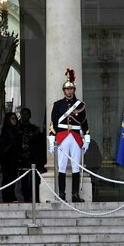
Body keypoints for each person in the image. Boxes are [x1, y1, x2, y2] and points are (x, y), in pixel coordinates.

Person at [50, 68, 90, 202]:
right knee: (61, 166)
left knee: (75, 166)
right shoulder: (58, 105)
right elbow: (53, 124)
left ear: (74, 90)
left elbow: (84, 123)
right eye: (67, 89)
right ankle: (61, 194)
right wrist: (51, 140)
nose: (69, 91)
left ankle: (75, 194)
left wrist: (87, 139)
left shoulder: (80, 105)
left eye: (71, 89)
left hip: (76, 137)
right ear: (64, 91)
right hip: (62, 136)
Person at [18, 108, 46, 203]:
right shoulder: (17, 129)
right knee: (24, 182)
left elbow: (38, 145)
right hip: (22, 160)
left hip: (33, 159)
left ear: (30, 115)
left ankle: (35, 198)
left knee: (35, 180)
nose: (24, 116)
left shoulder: (35, 129)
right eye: (23, 114)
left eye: (26, 114)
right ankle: (26, 199)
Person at [0, 112, 20, 202]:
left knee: (12, 177)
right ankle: (7, 196)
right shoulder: (7, 130)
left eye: (15, 118)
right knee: (7, 178)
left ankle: (11, 195)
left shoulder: (15, 130)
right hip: (7, 159)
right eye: (12, 118)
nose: (15, 120)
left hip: (13, 158)